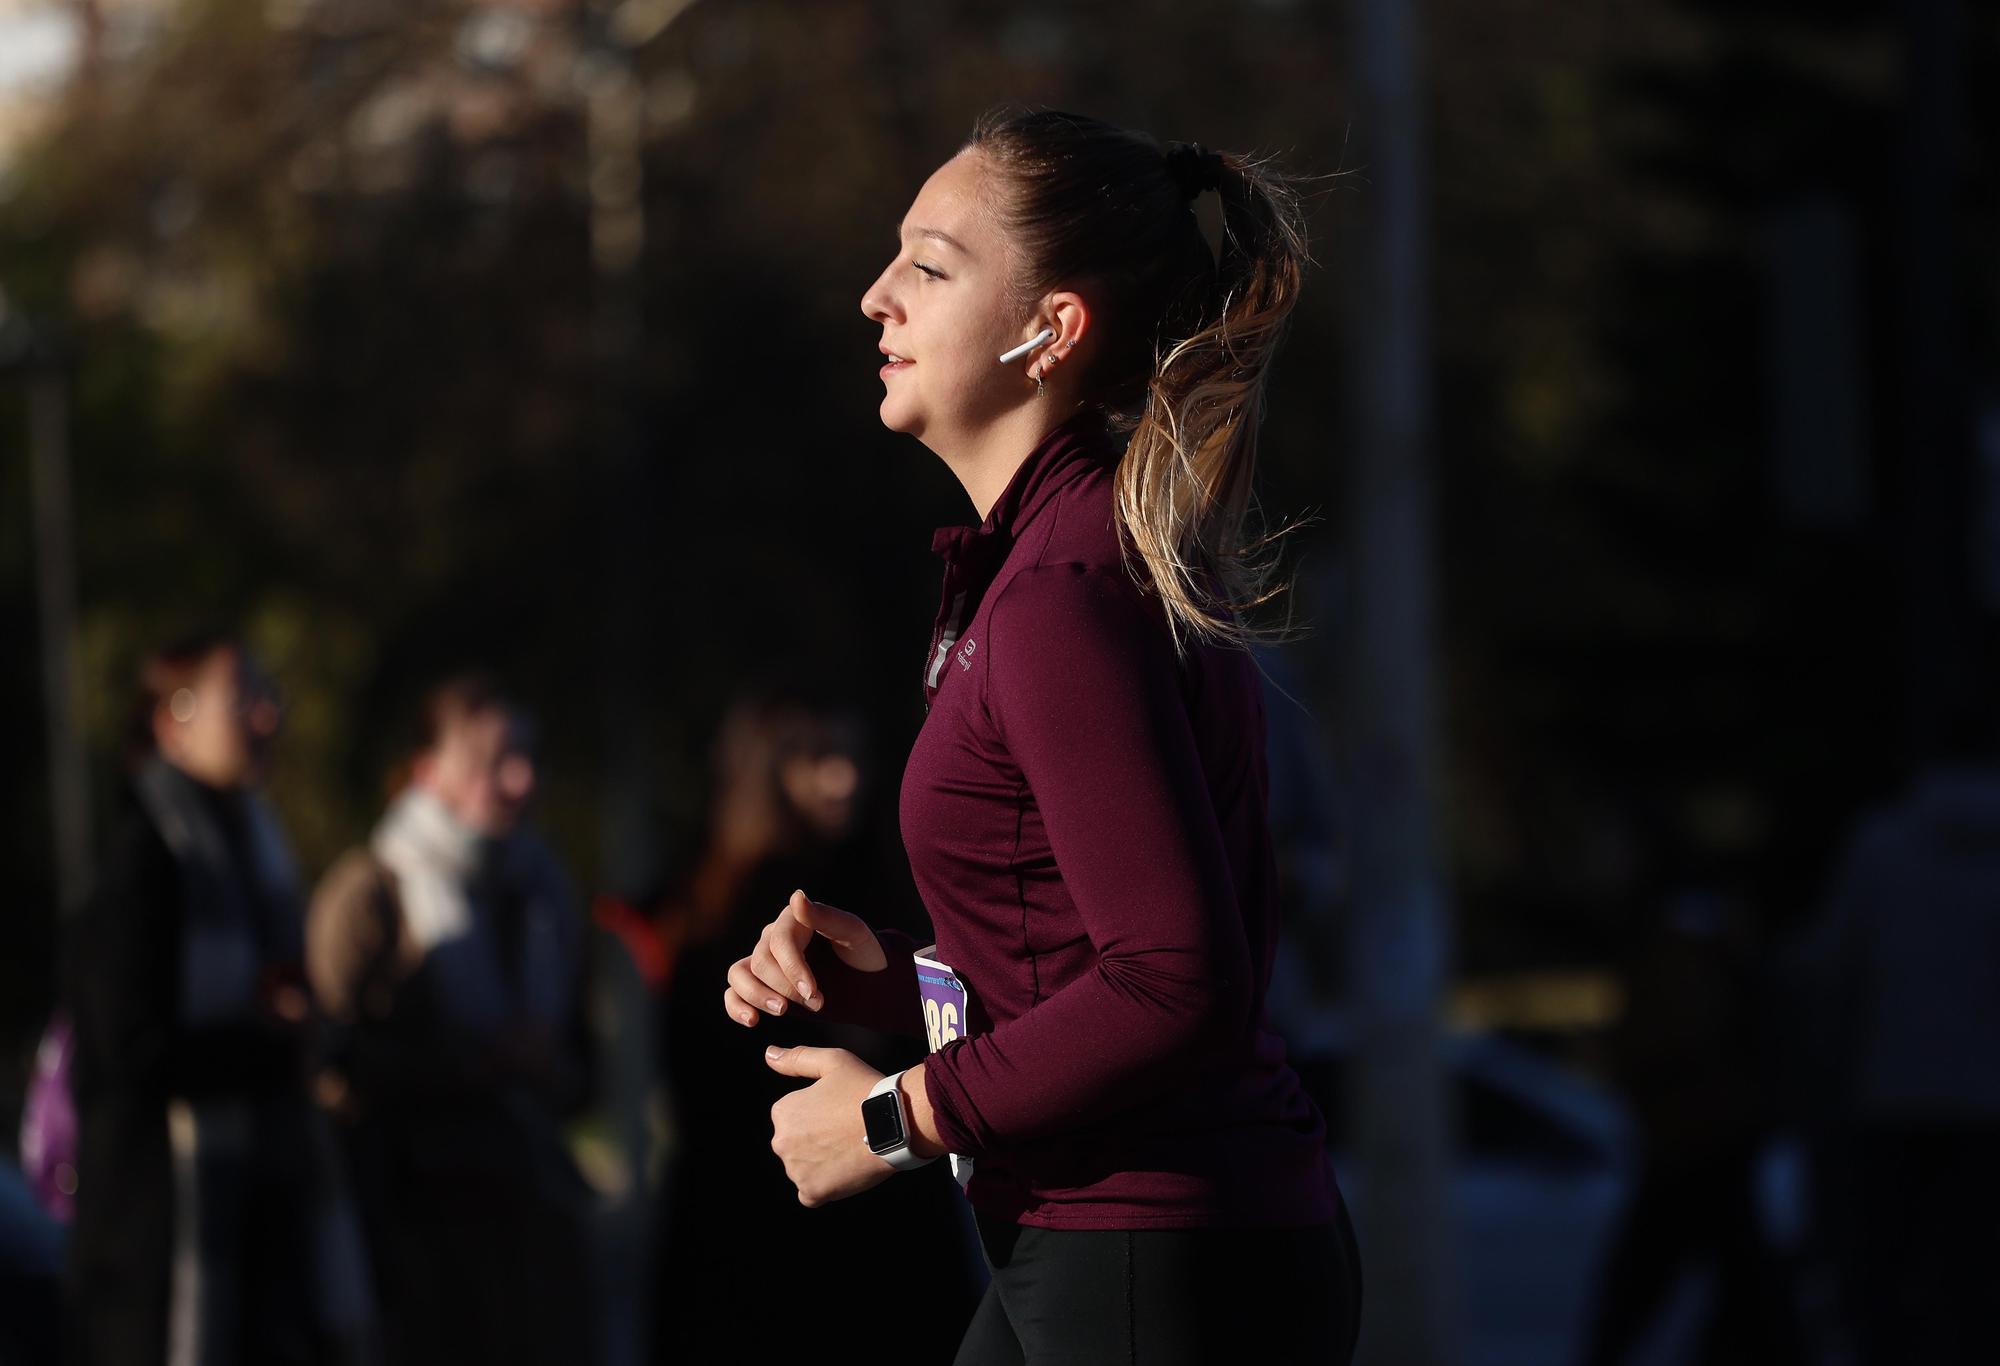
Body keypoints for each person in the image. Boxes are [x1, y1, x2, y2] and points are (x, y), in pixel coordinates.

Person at [724, 109, 1362, 1364]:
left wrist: (896, 1119)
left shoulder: (1064, 592)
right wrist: (887, 983)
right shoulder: (1039, 569)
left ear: (1047, 329)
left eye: (927, 264)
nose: (873, 298)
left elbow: (1176, 982)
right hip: (1108, 1247)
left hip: (1153, 1258)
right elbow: (1077, 967)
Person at [63, 630, 372, 1366]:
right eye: (246, 698)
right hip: (161, 1242)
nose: (267, 717)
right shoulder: (144, 863)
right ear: (173, 721)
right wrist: (266, 1042)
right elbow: (127, 1051)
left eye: (270, 697)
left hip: (259, 1226)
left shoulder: (260, 855)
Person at [306, 673, 593, 1366]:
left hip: (525, 1228)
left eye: (527, 756)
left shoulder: (544, 891)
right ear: (426, 772)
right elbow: (327, 1063)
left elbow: (584, 1065)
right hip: (413, 1235)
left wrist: (551, 1070)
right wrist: (475, 1065)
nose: (521, 780)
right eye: (492, 761)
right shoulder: (371, 890)